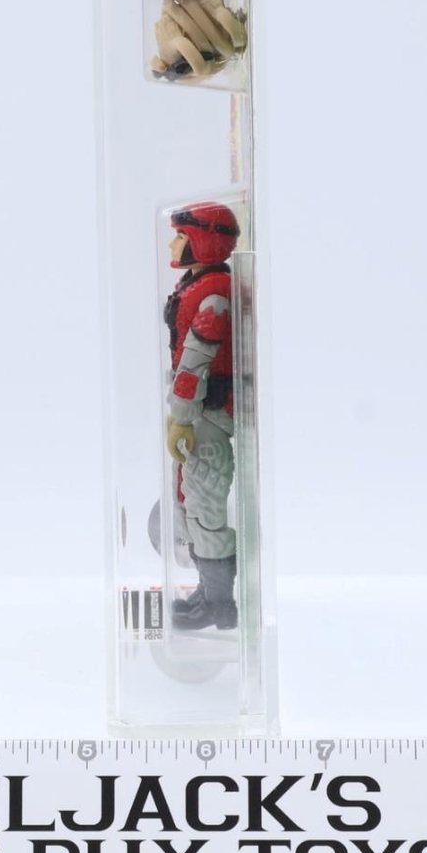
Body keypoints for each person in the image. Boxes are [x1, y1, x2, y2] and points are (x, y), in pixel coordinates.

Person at [162, 201, 240, 631]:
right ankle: (206, 593)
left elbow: (194, 363)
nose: (173, 244)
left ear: (203, 240)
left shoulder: (213, 295)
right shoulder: (198, 285)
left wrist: (181, 415)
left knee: (206, 510)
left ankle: (220, 606)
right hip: (196, 414)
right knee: (190, 504)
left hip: (209, 417)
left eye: (181, 235)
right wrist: (178, 414)